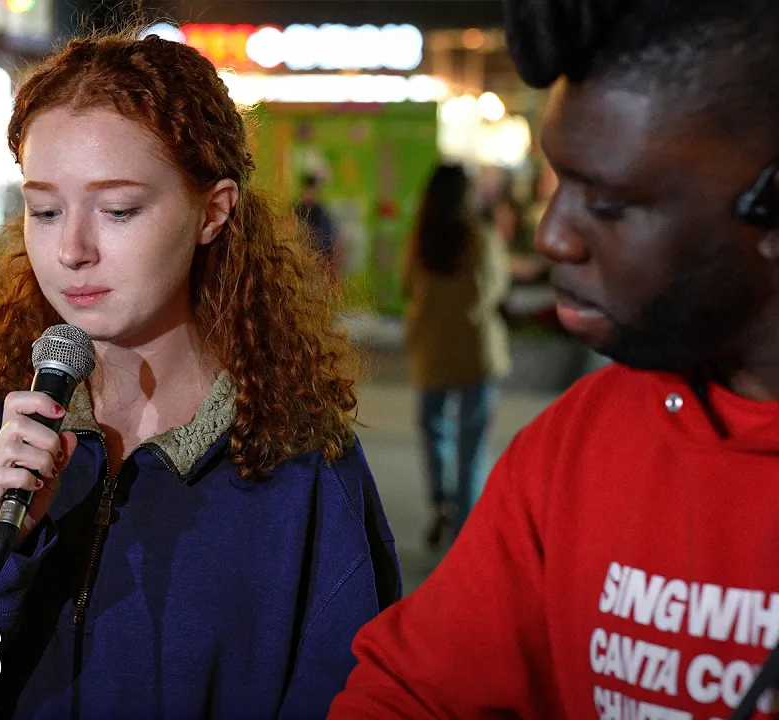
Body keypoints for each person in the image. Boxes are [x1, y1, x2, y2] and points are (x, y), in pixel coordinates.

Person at [0, 32, 400, 719]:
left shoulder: (302, 463)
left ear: (213, 210)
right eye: (45, 210)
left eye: (118, 210)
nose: (71, 249)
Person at [329, 0, 779, 717]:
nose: (554, 236)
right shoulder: (572, 447)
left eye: (608, 203)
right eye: (557, 182)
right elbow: (410, 692)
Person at [401, 164, 510, 548]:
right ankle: (464, 526)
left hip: (431, 353)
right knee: (472, 443)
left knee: (434, 430)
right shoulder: (481, 238)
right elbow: (494, 288)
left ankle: (442, 501)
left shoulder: (420, 241)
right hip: (476, 352)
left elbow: (406, 287)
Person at [294, 172, 339, 278]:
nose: (309, 194)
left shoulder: (321, 213)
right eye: (307, 190)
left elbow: (328, 240)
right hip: (298, 259)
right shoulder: (296, 209)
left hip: (317, 261)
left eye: (312, 191)